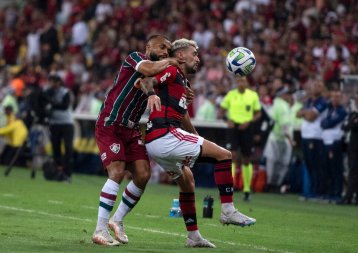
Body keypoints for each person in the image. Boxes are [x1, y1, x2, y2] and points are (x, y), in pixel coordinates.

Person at [140, 38, 256, 248]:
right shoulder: (173, 72)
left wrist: (197, 137)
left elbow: (182, 115)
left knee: (187, 182)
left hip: (157, 141)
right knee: (225, 156)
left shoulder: (182, 81)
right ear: (181, 56)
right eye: (194, 54)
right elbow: (146, 81)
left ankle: (193, 237)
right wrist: (150, 94)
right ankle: (228, 211)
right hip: (164, 135)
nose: (198, 59)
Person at [92, 34, 181, 246]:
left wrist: (183, 92)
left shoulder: (159, 70)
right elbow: (147, 71)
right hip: (111, 124)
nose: (164, 53)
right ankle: (100, 230)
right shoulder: (134, 58)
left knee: (142, 174)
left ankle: (117, 220)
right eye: (161, 48)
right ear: (148, 45)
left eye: (168, 51)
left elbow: (151, 81)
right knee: (117, 171)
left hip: (131, 130)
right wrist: (170, 61)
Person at [220, 76, 261, 201]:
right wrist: (227, 120)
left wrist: (249, 122)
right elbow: (221, 111)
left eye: (243, 80)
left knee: (246, 158)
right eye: (238, 81)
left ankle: (247, 189)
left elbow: (258, 113)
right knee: (230, 155)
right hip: (233, 127)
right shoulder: (231, 95)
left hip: (247, 128)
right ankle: (229, 187)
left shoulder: (253, 95)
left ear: (247, 82)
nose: (241, 83)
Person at [297, 81, 328, 199]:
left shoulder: (323, 102)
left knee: (316, 165)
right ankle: (310, 190)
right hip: (306, 136)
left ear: (323, 89)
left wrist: (305, 113)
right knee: (309, 164)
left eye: (319, 86)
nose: (315, 87)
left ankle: (318, 191)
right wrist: (306, 112)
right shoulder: (310, 101)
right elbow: (297, 113)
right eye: (315, 85)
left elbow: (310, 117)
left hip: (316, 137)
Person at [44, 74, 74, 181]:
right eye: (50, 81)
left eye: (54, 82)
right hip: (54, 123)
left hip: (66, 123)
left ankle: (67, 173)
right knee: (55, 147)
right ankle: (57, 170)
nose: (52, 84)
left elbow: (64, 106)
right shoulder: (48, 92)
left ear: (58, 82)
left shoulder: (65, 92)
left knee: (68, 147)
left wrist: (51, 103)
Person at [263, 86, 293, 193]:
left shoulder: (276, 104)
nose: (288, 96)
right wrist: (290, 139)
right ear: (282, 95)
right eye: (286, 94)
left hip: (275, 136)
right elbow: (284, 125)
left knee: (272, 162)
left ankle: (271, 184)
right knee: (281, 163)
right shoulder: (282, 105)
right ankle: (274, 185)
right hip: (279, 138)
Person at [320, 90, 347, 203]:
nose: (334, 99)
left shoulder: (342, 111)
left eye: (337, 97)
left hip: (335, 142)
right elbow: (323, 123)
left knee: (336, 169)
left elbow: (330, 123)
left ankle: (337, 193)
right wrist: (327, 122)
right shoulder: (330, 110)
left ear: (341, 99)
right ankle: (330, 192)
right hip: (326, 141)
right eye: (333, 97)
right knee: (328, 168)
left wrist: (327, 123)